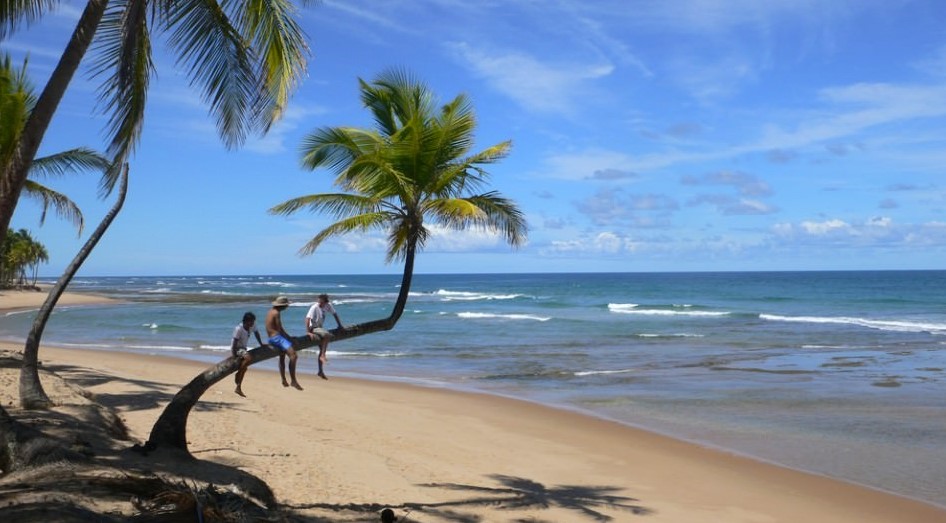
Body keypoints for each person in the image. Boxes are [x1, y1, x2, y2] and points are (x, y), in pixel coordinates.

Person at [265, 296, 304, 390]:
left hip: (271, 338)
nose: (287, 307)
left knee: (282, 356)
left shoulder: (270, 311)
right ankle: (293, 381)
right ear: (282, 306)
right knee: (293, 356)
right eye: (286, 305)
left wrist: (287, 338)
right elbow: (279, 329)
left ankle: (283, 379)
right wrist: (290, 338)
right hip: (276, 338)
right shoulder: (276, 313)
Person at [305, 293, 344, 380]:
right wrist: (308, 332)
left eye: (321, 302)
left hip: (320, 327)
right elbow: (307, 318)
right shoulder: (314, 307)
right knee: (327, 335)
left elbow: (335, 314)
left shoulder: (328, 305)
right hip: (313, 328)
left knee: (322, 346)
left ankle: (320, 371)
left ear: (325, 302)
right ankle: (323, 355)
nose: (319, 303)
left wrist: (340, 325)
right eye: (319, 301)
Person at [231, 311, 264, 397]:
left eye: (253, 321)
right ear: (246, 321)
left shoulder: (252, 326)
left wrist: (261, 344)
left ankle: (238, 387)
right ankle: (238, 375)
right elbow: (234, 342)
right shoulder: (239, 329)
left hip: (243, 348)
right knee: (249, 359)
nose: (253, 323)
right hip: (238, 348)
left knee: (245, 368)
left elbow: (256, 333)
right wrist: (234, 355)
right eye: (251, 321)